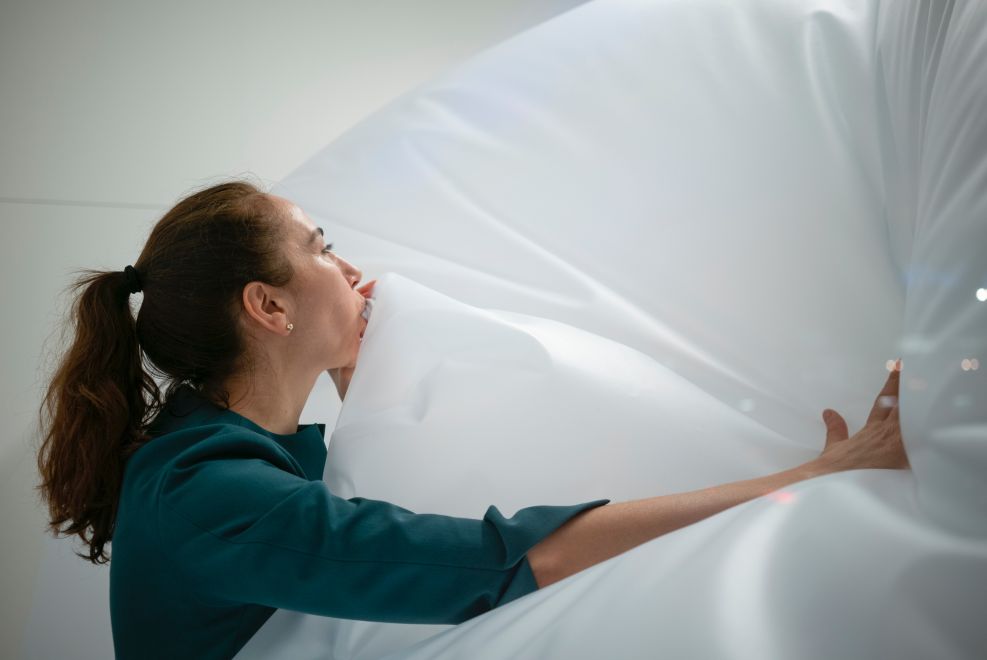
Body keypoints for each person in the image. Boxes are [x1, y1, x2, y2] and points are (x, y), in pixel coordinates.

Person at [35, 179, 910, 660]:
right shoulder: (209, 493)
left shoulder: (234, 462)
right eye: (322, 248)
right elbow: (497, 564)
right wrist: (803, 480)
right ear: (268, 306)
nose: (352, 270)